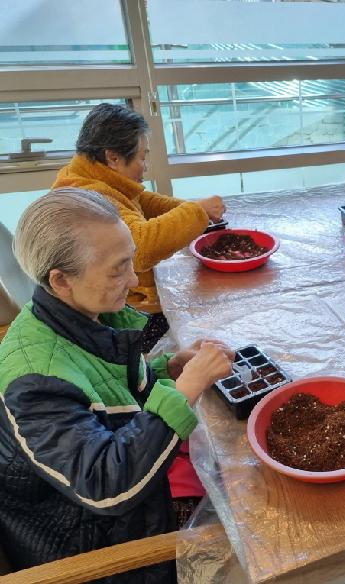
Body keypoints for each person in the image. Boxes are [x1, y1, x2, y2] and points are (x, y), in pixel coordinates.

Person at [0, 188, 233, 582]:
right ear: (61, 280)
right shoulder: (35, 384)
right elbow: (107, 485)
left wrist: (169, 369)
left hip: (112, 507)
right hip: (89, 543)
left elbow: (111, 393)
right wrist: (187, 389)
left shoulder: (86, 314)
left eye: (131, 261)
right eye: (118, 269)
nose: (133, 279)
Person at [52, 103, 225, 343]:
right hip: (121, 313)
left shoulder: (91, 175)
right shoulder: (89, 198)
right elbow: (139, 248)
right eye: (142, 157)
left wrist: (193, 208)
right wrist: (196, 211)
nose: (145, 166)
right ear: (113, 157)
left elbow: (143, 201)